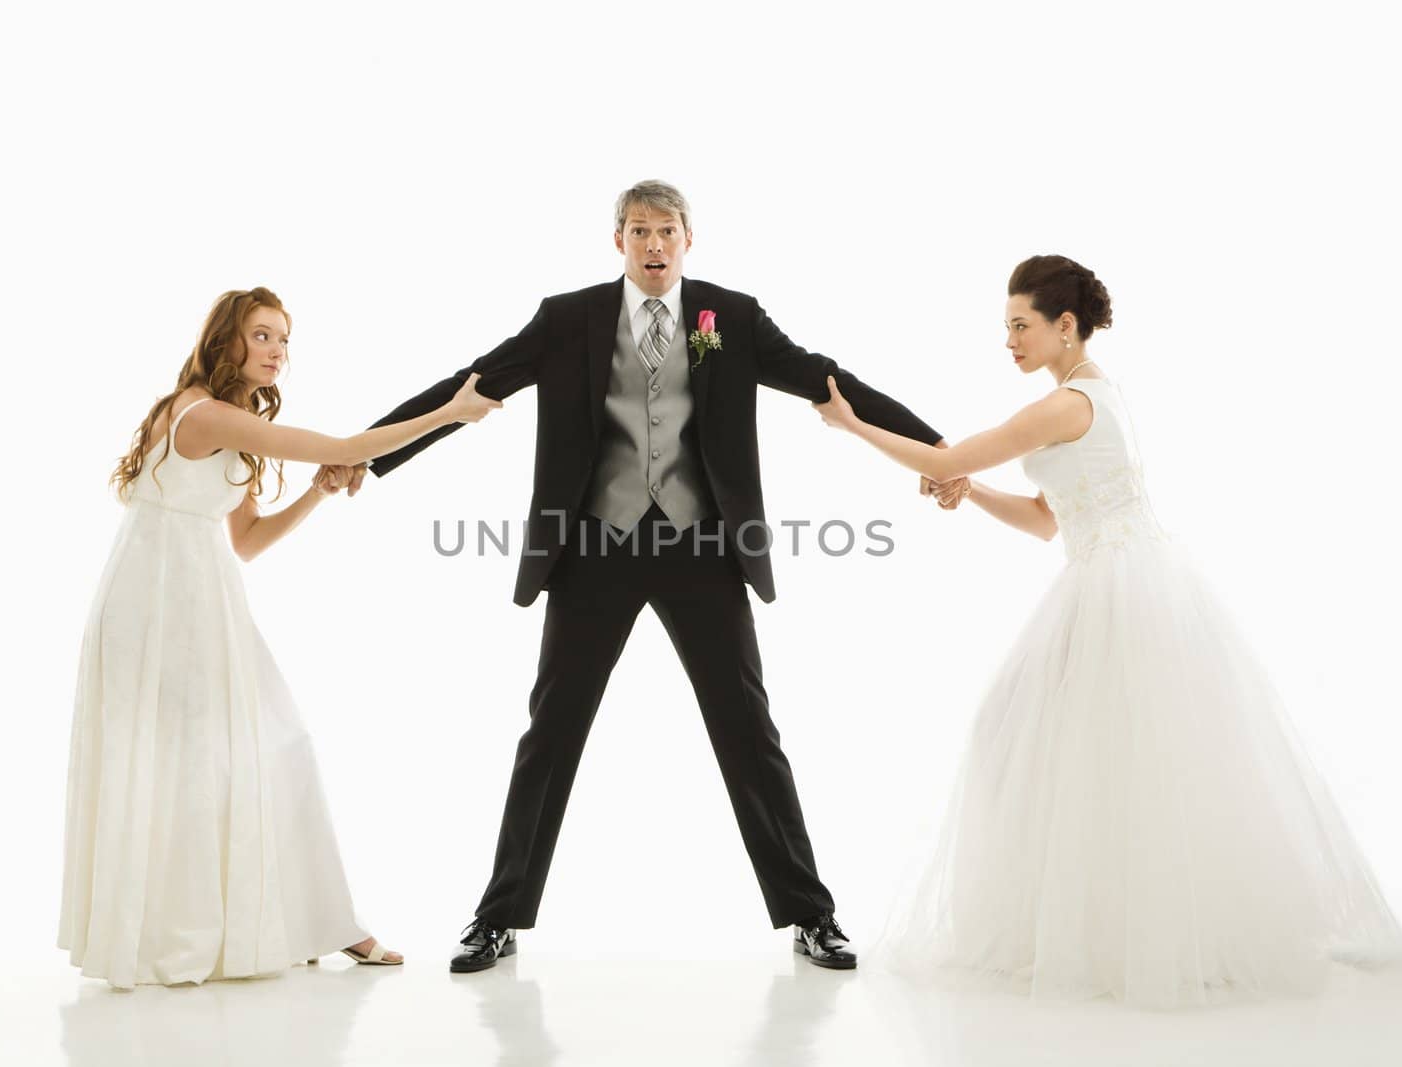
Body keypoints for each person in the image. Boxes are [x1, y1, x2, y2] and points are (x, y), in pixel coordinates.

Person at [345, 180, 965, 972]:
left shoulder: (728, 318)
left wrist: (940, 453)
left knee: (748, 729)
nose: (653, 244)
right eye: (638, 230)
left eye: (666, 230)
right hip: (593, 547)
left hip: (702, 549)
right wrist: (366, 452)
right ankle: (496, 917)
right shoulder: (565, 319)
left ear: (688, 238)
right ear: (618, 242)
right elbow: (475, 384)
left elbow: (825, 380)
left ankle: (813, 914)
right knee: (552, 731)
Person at [812, 255, 1402, 1006]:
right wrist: (975, 491)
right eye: (1005, 328)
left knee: (1109, 754)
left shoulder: (1067, 404)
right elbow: (1044, 520)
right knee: (1048, 741)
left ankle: (1133, 933)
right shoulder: (1086, 397)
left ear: (1066, 327)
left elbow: (941, 456)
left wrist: (852, 425)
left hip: (1121, 590)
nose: (1010, 340)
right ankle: (1087, 920)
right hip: (1105, 575)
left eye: (1021, 326)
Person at [59, 286, 500, 988]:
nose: (276, 351)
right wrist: (451, 412)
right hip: (160, 600)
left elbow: (249, 541)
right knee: (194, 763)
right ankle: (198, 934)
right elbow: (348, 446)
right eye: (262, 335)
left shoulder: (229, 424)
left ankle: (314, 922)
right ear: (225, 340)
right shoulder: (202, 414)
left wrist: (320, 492)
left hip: (203, 592)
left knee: (269, 746)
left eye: (283, 340)